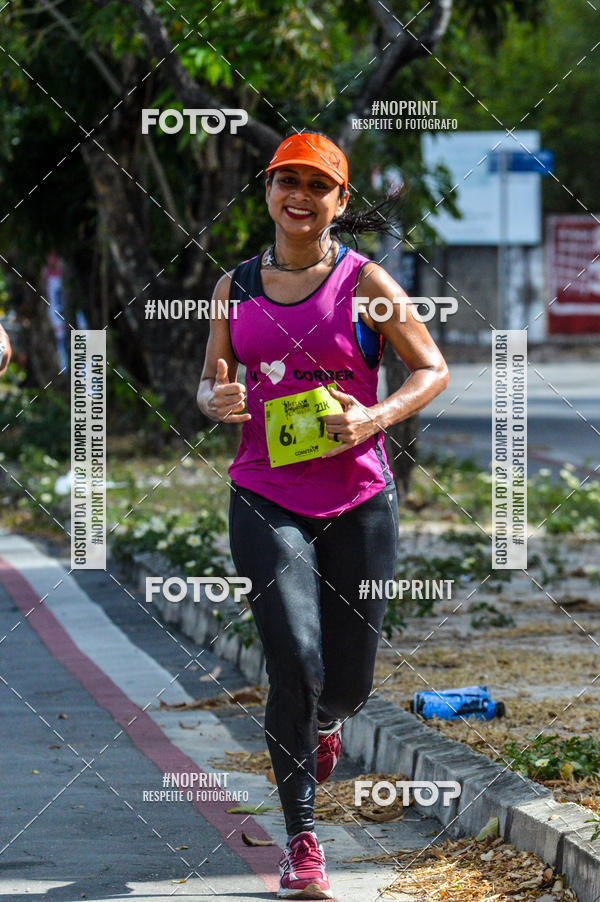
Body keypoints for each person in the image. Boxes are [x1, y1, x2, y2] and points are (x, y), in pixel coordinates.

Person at [197, 131, 449, 900]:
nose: (298, 196)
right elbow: (210, 387)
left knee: (345, 684)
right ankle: (302, 841)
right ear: (268, 192)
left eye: (317, 184)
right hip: (265, 494)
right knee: (294, 661)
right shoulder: (232, 287)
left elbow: (431, 367)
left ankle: (331, 724)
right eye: (285, 182)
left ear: (340, 202)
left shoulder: (365, 281)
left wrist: (372, 420)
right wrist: (218, 401)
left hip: (359, 499)